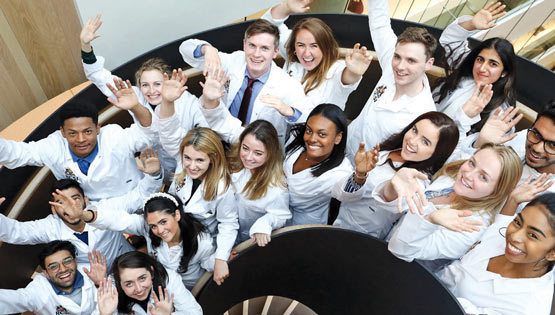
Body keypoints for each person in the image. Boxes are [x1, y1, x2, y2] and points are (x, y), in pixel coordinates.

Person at [197, 71, 350, 226]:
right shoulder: (291, 142)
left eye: (322, 134)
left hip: (302, 224)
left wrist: (360, 177)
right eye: (309, 130)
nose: (312, 138)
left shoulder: (339, 172)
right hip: (264, 215)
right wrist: (211, 102)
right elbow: (230, 128)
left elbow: (349, 192)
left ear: (338, 137)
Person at [79, 14, 209, 183]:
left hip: (187, 164)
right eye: (145, 85)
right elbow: (98, 75)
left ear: (168, 81)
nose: (151, 91)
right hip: (154, 164)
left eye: (157, 84)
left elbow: (206, 132)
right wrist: (85, 44)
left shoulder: (188, 102)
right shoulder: (133, 95)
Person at [0, 149, 161, 270]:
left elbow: (138, 197)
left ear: (86, 200)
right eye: (62, 202)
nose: (70, 207)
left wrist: (154, 175)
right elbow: (16, 232)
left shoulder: (103, 208)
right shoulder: (50, 227)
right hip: (95, 286)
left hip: (132, 265)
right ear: (54, 209)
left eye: (75, 199)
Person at [381, 143, 522, 270]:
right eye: (472, 163)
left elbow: (400, 250)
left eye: (483, 177)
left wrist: (430, 219)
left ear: (496, 192)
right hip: (380, 244)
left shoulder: (472, 226)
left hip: (397, 273)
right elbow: (398, 208)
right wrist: (393, 185)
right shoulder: (451, 179)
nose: (468, 174)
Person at [179, 19, 313, 143]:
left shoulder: (287, 85)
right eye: (252, 46)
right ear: (244, 45)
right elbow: (185, 48)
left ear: (275, 52)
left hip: (257, 150)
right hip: (217, 139)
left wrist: (290, 112)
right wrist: (207, 49)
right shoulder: (232, 61)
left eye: (264, 48)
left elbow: (308, 120)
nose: (256, 54)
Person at [52, 191, 216, 291]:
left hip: (192, 289)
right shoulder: (147, 229)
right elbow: (117, 220)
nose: (160, 231)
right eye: (153, 226)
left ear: (177, 215)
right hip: (158, 284)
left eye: (164, 222)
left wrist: (221, 260)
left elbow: (211, 266)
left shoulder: (202, 242)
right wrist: (83, 215)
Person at [332, 112, 459, 239]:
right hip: (339, 217)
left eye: (425, 142)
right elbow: (343, 195)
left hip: (359, 236)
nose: (412, 141)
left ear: (438, 153)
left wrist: (394, 183)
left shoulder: (417, 182)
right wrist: (359, 174)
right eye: (414, 130)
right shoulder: (392, 148)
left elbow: (388, 196)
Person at [0, 99, 153, 201]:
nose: (80, 140)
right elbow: (17, 154)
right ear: (63, 132)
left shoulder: (114, 136)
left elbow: (147, 135)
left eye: (87, 131)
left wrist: (136, 106)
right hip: (96, 211)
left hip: (136, 197)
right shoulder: (53, 146)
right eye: (72, 133)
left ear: (98, 128)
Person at [433, 193, 555, 315]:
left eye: (533, 235)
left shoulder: (528, 307)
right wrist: (512, 199)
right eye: (518, 222)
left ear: (552, 254)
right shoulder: (501, 235)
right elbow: (502, 220)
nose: (514, 236)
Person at [346, 0, 438, 161]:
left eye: (411, 61)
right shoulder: (392, 64)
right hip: (345, 144)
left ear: (428, 64)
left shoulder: (423, 114)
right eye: (397, 57)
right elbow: (380, 24)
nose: (400, 66)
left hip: (365, 173)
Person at [261, 0, 372, 110]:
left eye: (314, 45)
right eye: (301, 45)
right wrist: (286, 7)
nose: (306, 53)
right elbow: (265, 27)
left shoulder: (335, 69)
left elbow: (346, 78)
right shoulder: (293, 55)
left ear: (325, 47)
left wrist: (354, 72)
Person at [434, 2, 516, 137]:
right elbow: (450, 40)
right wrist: (471, 24)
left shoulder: (500, 113)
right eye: (480, 59)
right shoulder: (465, 68)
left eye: (493, 64)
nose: (482, 68)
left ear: (505, 72)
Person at [460, 100, 555, 209]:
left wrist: (512, 203)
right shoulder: (522, 137)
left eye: (552, 145)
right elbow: (455, 171)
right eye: (537, 134)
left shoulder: (550, 198)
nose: (537, 148)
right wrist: (480, 143)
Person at [0, 241, 104, 314]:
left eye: (67, 261)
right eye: (53, 266)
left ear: (75, 262)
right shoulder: (38, 291)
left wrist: (100, 284)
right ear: (46, 273)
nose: (63, 269)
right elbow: (12, 300)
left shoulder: (94, 271)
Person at [96, 251, 202, 315]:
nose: (138, 289)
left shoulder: (168, 279)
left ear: (151, 272)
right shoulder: (110, 290)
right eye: (129, 284)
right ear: (119, 283)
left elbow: (195, 313)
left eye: (142, 278)